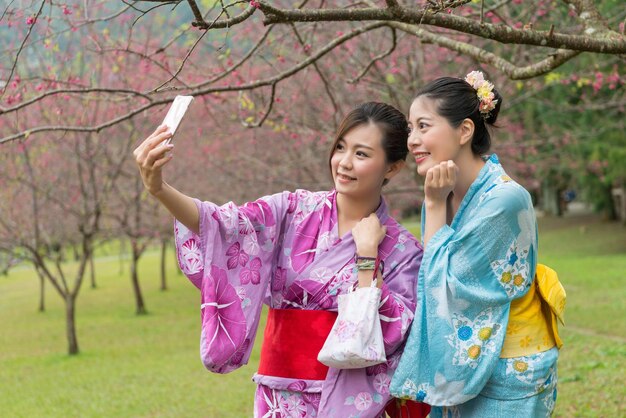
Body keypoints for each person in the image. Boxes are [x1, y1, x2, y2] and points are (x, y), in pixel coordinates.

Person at [134, 102, 427, 417]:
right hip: (277, 396)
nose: (343, 162)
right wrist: (159, 188)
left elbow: (395, 336)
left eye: (361, 154)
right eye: (340, 147)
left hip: (347, 399)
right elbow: (223, 225)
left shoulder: (403, 251)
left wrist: (368, 255)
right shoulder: (292, 210)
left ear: (393, 167)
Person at [377, 72, 564, 416]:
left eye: (423, 126)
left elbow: (447, 290)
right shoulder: (444, 194)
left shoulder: (505, 200)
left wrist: (433, 205)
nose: (412, 140)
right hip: (468, 361)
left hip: (510, 371)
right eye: (410, 129)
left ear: (464, 130)